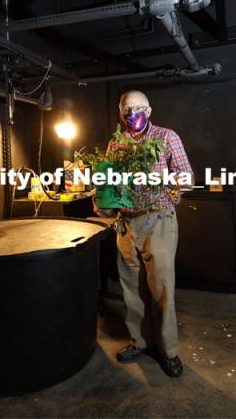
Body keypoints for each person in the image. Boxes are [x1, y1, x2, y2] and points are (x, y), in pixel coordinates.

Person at [94, 90, 194, 377]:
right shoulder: (117, 143)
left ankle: (168, 350)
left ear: (148, 111)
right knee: (132, 289)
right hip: (127, 223)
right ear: (121, 113)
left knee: (161, 288)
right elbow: (111, 182)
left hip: (158, 220)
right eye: (127, 110)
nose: (132, 115)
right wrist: (106, 206)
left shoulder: (166, 138)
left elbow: (187, 180)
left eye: (138, 109)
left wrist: (156, 177)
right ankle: (139, 341)